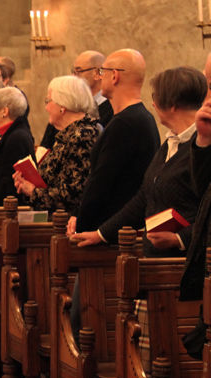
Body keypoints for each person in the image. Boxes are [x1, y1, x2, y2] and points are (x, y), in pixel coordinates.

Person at [72, 67, 206, 257]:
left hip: (184, 263)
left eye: (156, 97)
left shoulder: (202, 148)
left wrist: (180, 239)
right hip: (156, 259)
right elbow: (143, 198)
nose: (152, 103)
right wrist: (101, 234)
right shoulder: (170, 143)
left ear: (172, 104)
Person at [68, 49, 160, 239]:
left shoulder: (126, 123)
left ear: (115, 75)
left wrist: (81, 224)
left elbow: (102, 181)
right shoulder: (141, 118)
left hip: (111, 232)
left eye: (103, 72)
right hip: (117, 228)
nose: (100, 77)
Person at [13, 76, 99, 214]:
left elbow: (73, 195)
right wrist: (27, 182)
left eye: (48, 101)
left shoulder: (82, 136)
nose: (46, 107)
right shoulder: (68, 134)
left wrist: (33, 192)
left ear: (62, 106)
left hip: (68, 225)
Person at [40, 50, 110, 148]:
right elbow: (46, 145)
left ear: (98, 73)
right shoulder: (66, 106)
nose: (73, 77)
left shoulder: (111, 109)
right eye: (73, 72)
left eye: (78, 71)